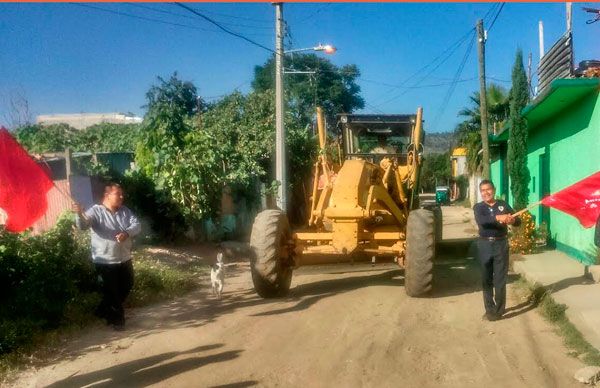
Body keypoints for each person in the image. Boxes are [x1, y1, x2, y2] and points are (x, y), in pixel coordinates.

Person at [73, 182, 141, 330]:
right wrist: (79, 214)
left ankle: (102, 310)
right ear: (107, 196)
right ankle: (117, 321)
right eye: (118, 194)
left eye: (122, 194)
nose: (122, 197)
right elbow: (83, 226)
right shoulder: (95, 211)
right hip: (104, 261)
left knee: (128, 284)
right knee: (112, 292)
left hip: (124, 258)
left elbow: (137, 225)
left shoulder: (125, 211)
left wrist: (127, 233)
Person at [473, 179, 520, 321]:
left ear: (494, 190)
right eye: (483, 190)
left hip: (501, 245)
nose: (486, 192)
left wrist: (512, 220)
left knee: (500, 279)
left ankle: (498, 311)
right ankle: (489, 309)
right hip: (485, 245)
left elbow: (518, 220)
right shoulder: (478, 207)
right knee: (486, 279)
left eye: (488, 189)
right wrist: (498, 217)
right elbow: (483, 221)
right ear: (481, 193)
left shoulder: (503, 205)